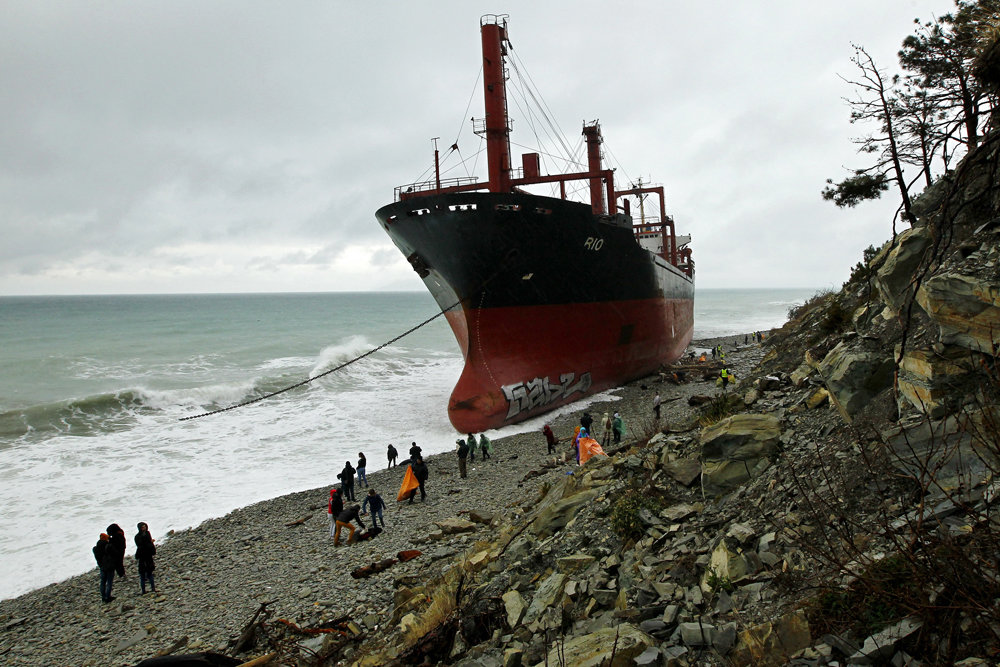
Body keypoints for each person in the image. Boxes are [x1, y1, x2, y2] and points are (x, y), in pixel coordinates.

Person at [134, 522, 156, 594]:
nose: (144, 528)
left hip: (148, 556)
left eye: (145, 527)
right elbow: (140, 545)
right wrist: (148, 543)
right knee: (142, 574)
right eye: (143, 527)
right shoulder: (138, 536)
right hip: (143, 557)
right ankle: (143, 590)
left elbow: (148, 544)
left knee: (149, 573)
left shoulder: (147, 533)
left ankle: (153, 588)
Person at [93, 533, 115, 603]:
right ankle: (108, 597)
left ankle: (103, 597)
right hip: (109, 566)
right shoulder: (108, 546)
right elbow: (114, 553)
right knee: (109, 582)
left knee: (103, 582)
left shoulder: (96, 548)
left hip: (102, 566)